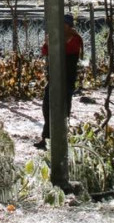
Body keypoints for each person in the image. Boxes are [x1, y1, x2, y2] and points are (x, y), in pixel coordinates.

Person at [35, 13, 84, 148]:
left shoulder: (75, 39)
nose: (60, 27)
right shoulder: (56, 38)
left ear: (69, 26)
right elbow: (45, 51)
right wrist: (48, 43)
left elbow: (65, 50)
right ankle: (46, 137)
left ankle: (62, 138)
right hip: (54, 77)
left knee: (63, 108)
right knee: (47, 106)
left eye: (64, 24)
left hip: (67, 78)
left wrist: (52, 43)